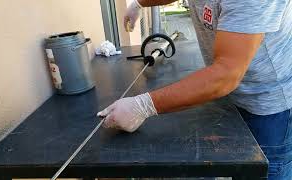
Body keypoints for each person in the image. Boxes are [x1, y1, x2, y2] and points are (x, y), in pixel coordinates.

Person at [97, 0, 292, 179]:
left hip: (270, 102)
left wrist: (143, 105)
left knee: (263, 172)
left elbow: (226, 74)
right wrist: (140, 3)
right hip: (230, 94)